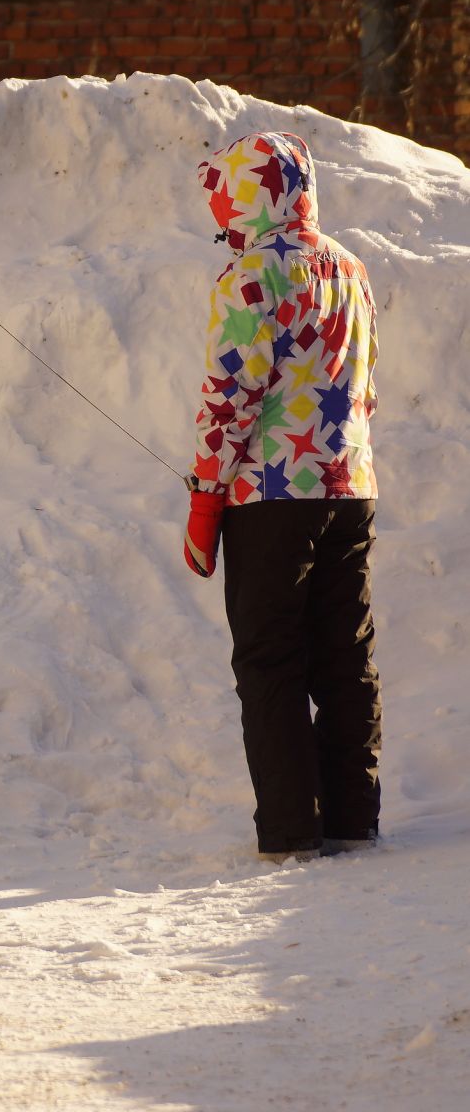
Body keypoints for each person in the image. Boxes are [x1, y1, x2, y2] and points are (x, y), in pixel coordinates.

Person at [181, 131, 382, 864]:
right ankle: (354, 819)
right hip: (350, 484)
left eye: (228, 201)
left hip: (269, 494)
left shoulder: (250, 278)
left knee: (271, 659)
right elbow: (367, 386)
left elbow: (229, 396)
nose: (223, 222)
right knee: (344, 654)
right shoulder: (352, 268)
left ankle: (293, 833)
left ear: (254, 193)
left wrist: (205, 499)